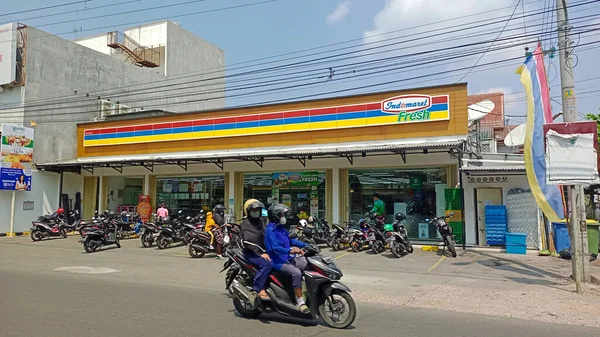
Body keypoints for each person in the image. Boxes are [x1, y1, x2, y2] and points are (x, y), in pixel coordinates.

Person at [264, 204, 309, 313]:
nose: (284, 216)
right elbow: (275, 248)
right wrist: (290, 250)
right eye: (282, 214)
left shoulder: (281, 228)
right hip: (276, 260)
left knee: (306, 264)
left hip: (286, 258)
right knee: (296, 272)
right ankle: (300, 301)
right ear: (276, 216)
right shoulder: (271, 230)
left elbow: (291, 240)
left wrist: (305, 245)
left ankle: (302, 290)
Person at [240, 199, 272, 300]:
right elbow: (249, 241)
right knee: (267, 264)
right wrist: (260, 253)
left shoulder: (261, 221)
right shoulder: (246, 224)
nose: (256, 212)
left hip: (263, 251)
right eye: (254, 210)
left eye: (258, 210)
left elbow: (266, 234)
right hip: (251, 252)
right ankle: (258, 288)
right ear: (249, 211)